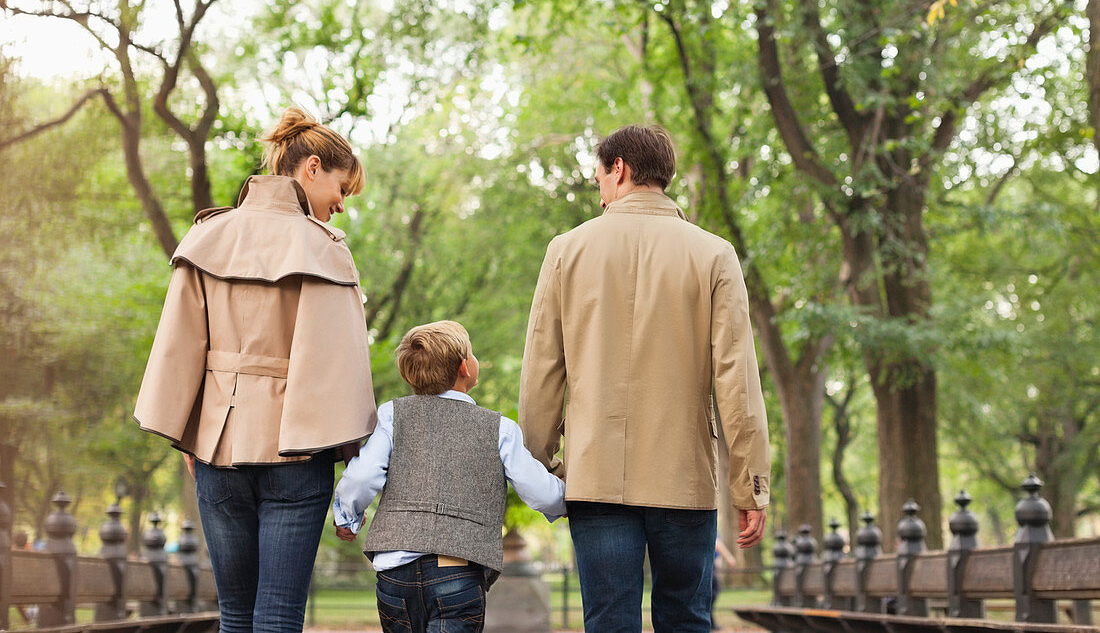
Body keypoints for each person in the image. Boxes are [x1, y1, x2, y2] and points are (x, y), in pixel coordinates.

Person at [134, 106, 377, 633]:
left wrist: (188, 440)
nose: (341, 203)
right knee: (279, 615)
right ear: (311, 167)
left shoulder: (207, 237)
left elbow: (178, 350)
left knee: (234, 615)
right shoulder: (326, 250)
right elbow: (339, 367)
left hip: (217, 450)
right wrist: (350, 455)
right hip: (297, 453)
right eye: (340, 187)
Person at [519, 123, 771, 633]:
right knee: (686, 620)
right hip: (683, 477)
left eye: (599, 179)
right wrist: (751, 486)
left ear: (621, 169)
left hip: (596, 476)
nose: (600, 192)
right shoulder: (714, 254)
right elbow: (738, 383)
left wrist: (537, 464)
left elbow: (543, 373)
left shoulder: (566, 250)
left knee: (608, 622)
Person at [333, 320, 566, 633]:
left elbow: (361, 477)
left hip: (394, 573)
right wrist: (567, 502)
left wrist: (347, 518)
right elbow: (542, 493)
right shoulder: (498, 428)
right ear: (464, 368)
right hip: (456, 570)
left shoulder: (392, 415)